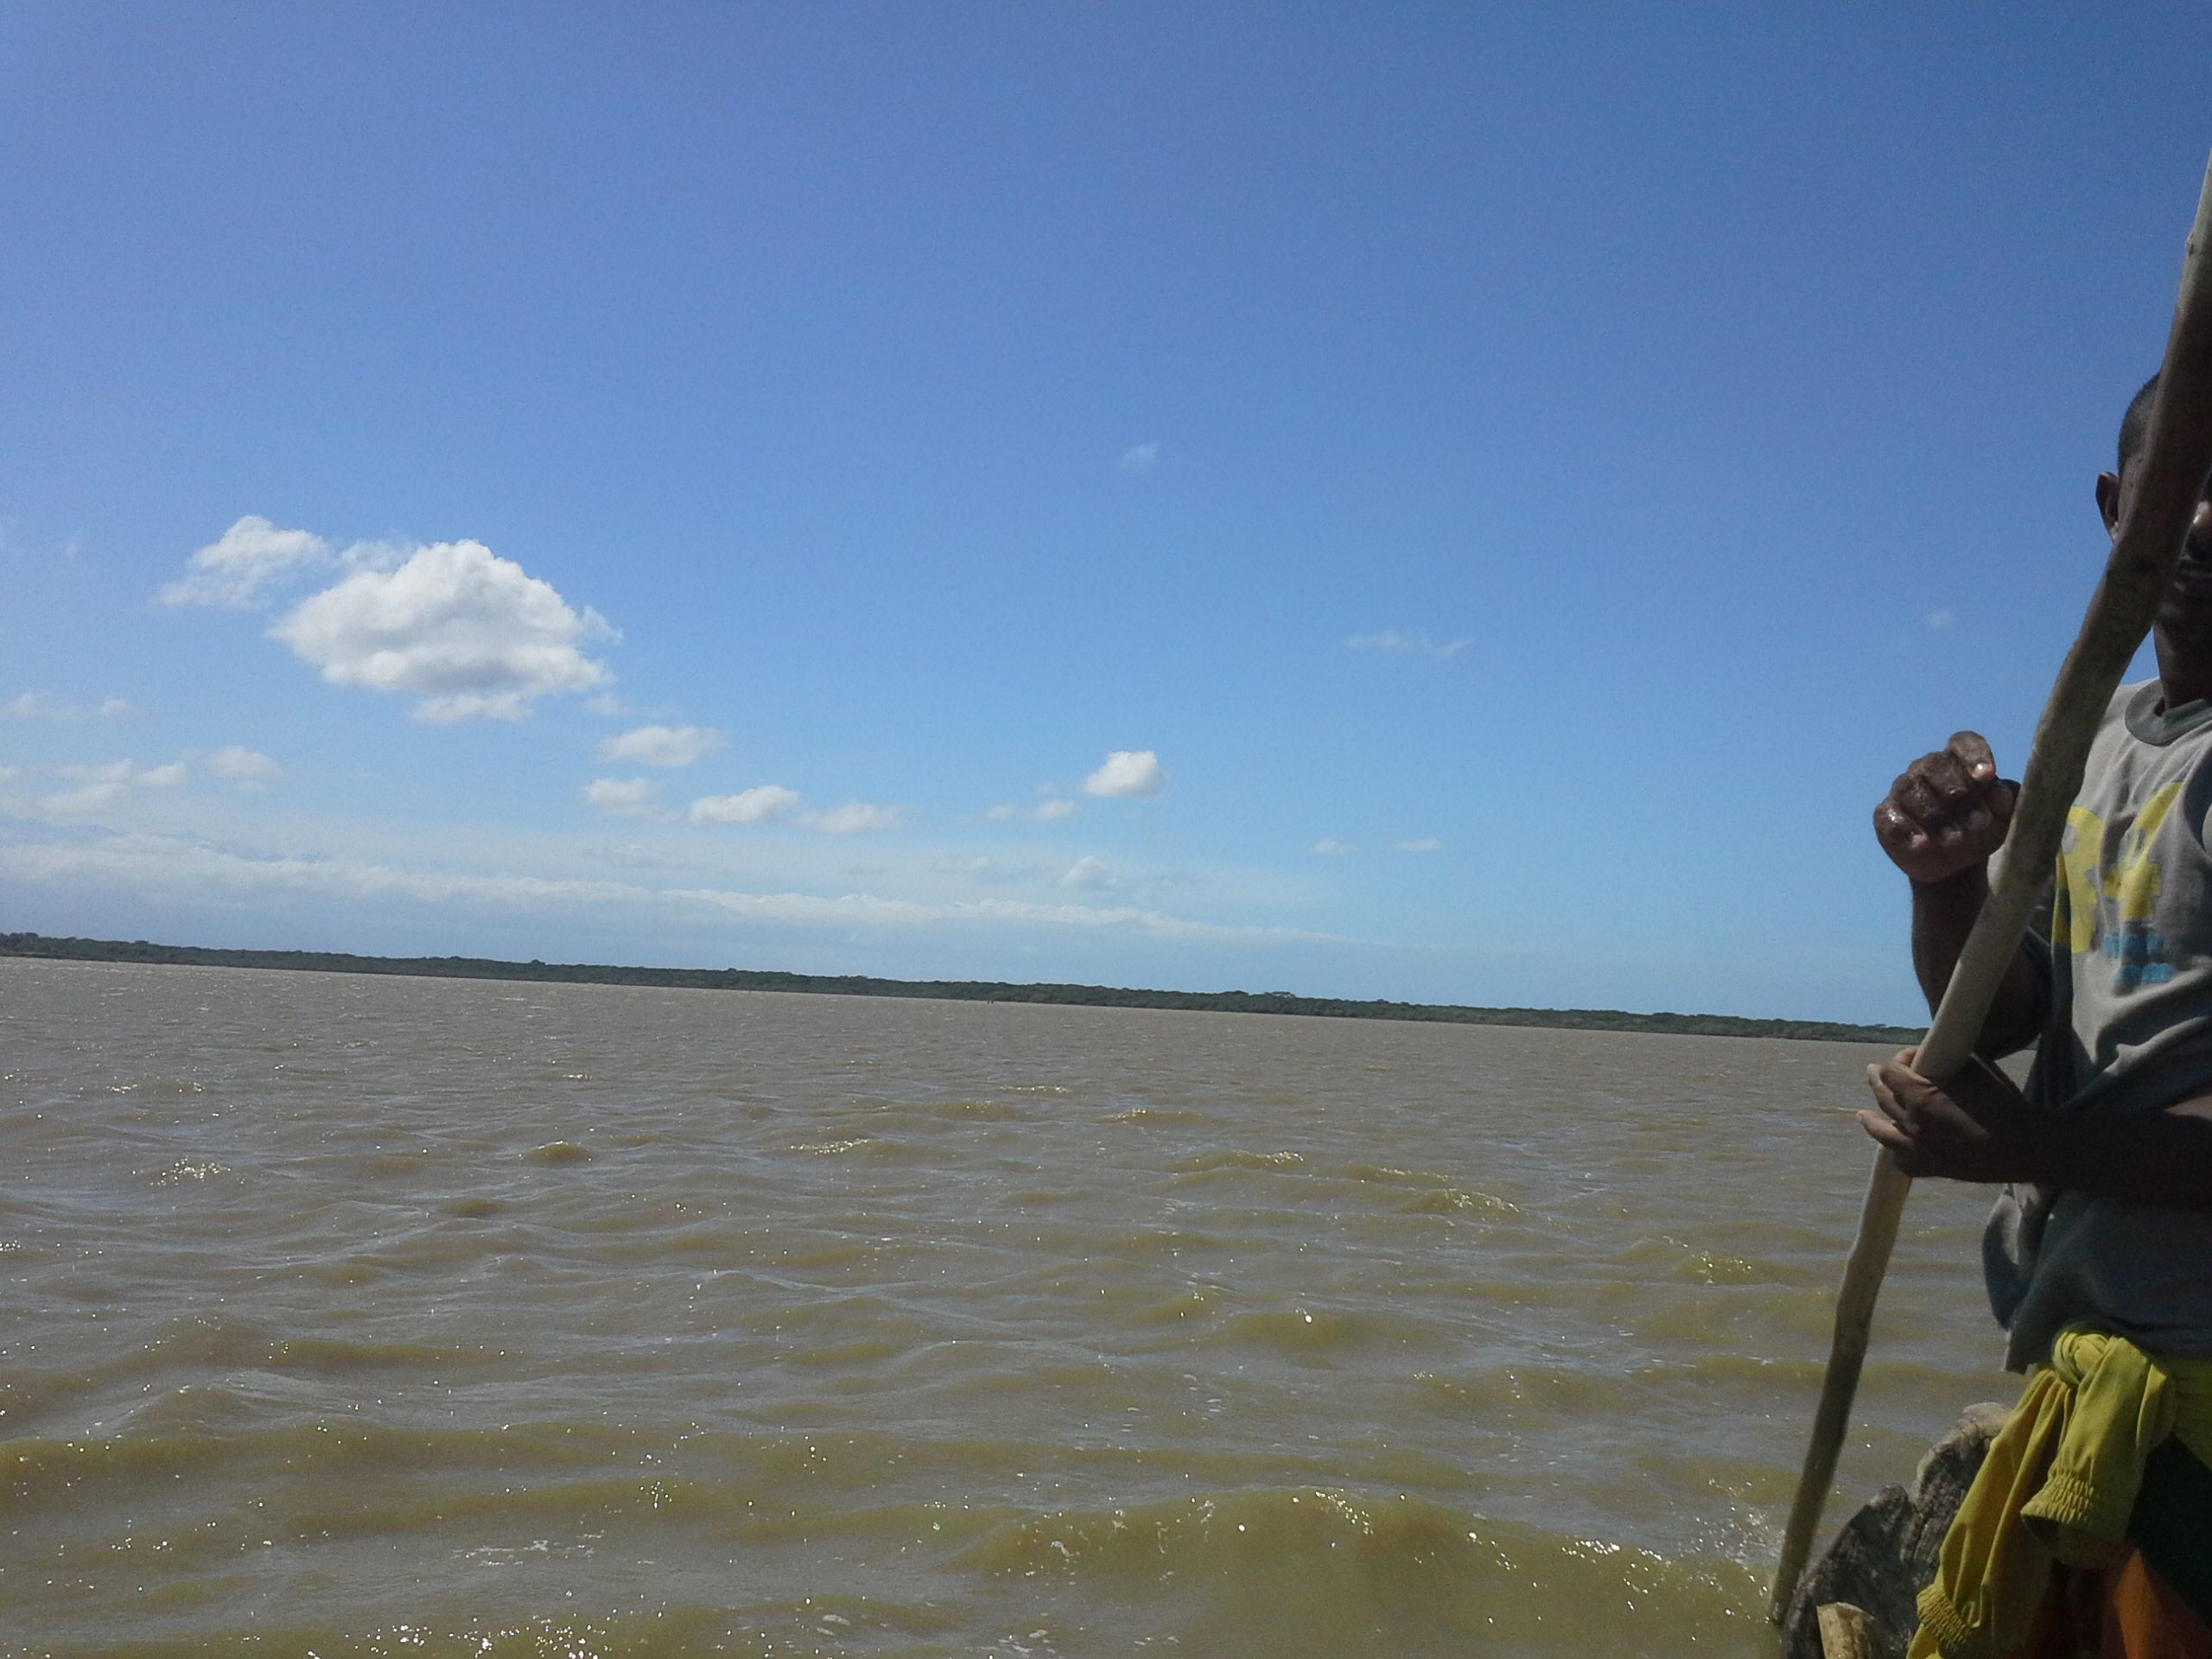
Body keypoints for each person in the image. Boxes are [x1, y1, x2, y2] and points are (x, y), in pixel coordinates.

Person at [1865, 373, 2212, 1656]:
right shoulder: (2103, 742)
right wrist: (1948, 886)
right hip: (2087, 1336)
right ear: (2120, 507)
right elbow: (2017, 1012)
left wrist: (2022, 1150)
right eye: (2185, 482)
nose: (2211, 521)